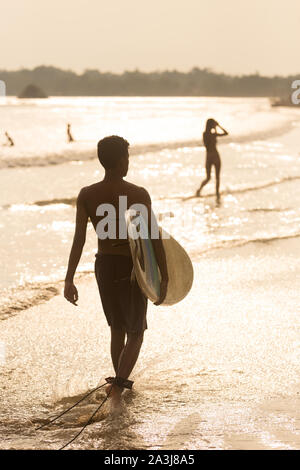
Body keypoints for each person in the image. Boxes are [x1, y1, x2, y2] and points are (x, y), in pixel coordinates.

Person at [64, 136, 168, 405]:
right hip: (130, 267)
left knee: (117, 329)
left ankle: (118, 383)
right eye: (128, 158)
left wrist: (69, 279)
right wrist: (164, 275)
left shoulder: (87, 194)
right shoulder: (138, 193)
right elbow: (153, 236)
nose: (128, 163)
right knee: (136, 332)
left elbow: (79, 239)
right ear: (122, 160)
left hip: (104, 265)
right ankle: (118, 388)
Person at [196, 118, 228, 201]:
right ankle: (215, 193)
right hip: (214, 156)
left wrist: (216, 127)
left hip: (210, 157)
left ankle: (201, 190)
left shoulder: (206, 134)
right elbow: (225, 133)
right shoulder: (211, 134)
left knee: (210, 177)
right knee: (214, 177)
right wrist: (218, 126)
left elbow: (226, 133)